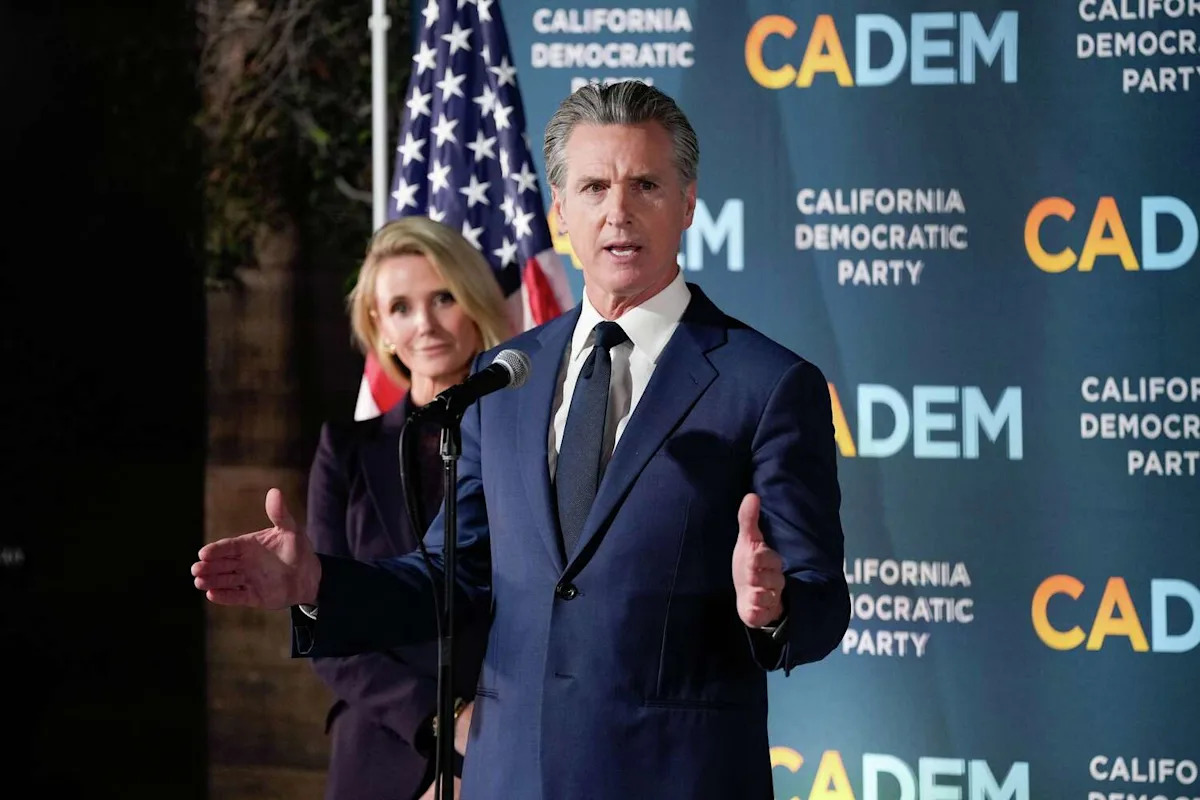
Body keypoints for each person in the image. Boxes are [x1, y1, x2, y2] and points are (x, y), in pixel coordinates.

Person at [193, 81, 850, 800]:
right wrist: (318, 582)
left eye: (646, 185)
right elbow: (450, 577)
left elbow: (821, 600)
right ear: (561, 211)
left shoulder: (767, 384)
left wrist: (775, 607)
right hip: (509, 776)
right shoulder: (505, 378)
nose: (619, 211)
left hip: (675, 778)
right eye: (594, 187)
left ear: (688, 203)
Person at [305, 216, 513, 800]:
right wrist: (443, 721)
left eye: (443, 297)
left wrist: (479, 751)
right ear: (380, 326)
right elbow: (324, 628)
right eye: (401, 307)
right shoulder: (344, 451)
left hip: (506, 753)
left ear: (474, 301)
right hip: (378, 756)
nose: (425, 324)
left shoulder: (533, 446)